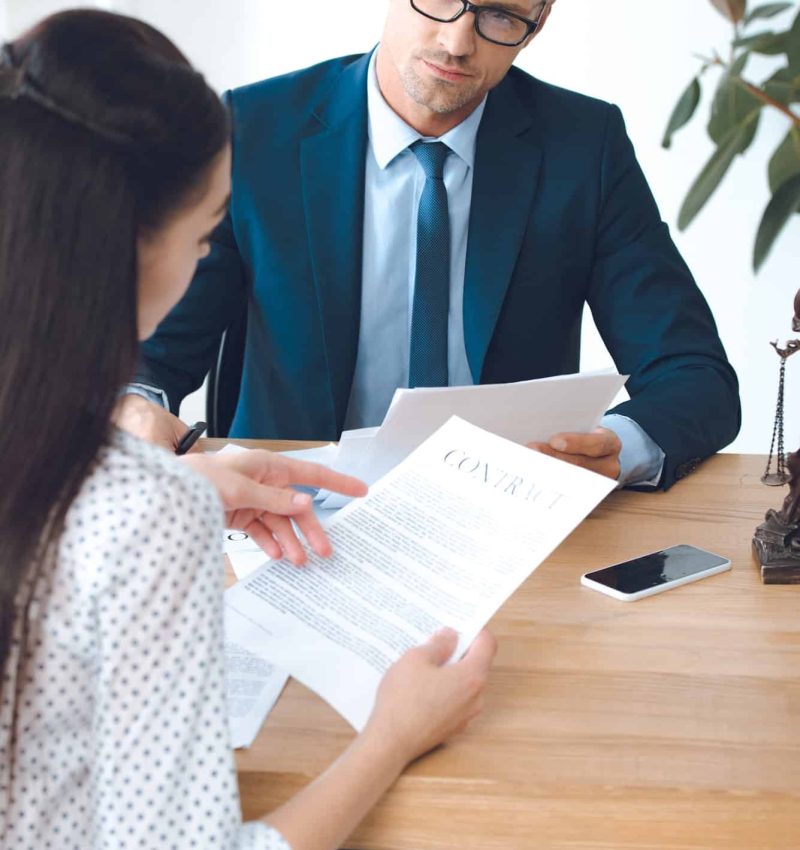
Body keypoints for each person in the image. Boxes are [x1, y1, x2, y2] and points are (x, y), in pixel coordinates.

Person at [0, 11, 496, 849]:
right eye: (204, 234)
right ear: (128, 250)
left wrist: (169, 483)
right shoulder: (143, 516)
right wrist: (392, 738)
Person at [119, 0, 740, 491]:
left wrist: (617, 448)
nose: (457, 40)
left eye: (499, 14)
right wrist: (134, 407)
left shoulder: (584, 147)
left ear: (538, 21)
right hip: (290, 507)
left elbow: (694, 375)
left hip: (502, 516)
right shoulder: (253, 130)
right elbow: (152, 355)